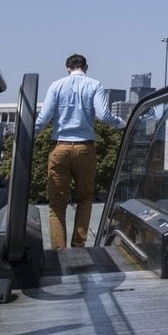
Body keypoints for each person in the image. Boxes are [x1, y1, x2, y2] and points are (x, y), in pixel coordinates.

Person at [32, 53, 125, 249]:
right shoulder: (95, 85)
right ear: (86, 67)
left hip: (60, 148)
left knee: (57, 205)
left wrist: (28, 134)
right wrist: (121, 123)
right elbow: (103, 115)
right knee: (85, 198)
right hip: (85, 148)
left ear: (68, 68)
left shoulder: (56, 86)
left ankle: (59, 250)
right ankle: (78, 246)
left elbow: (43, 118)